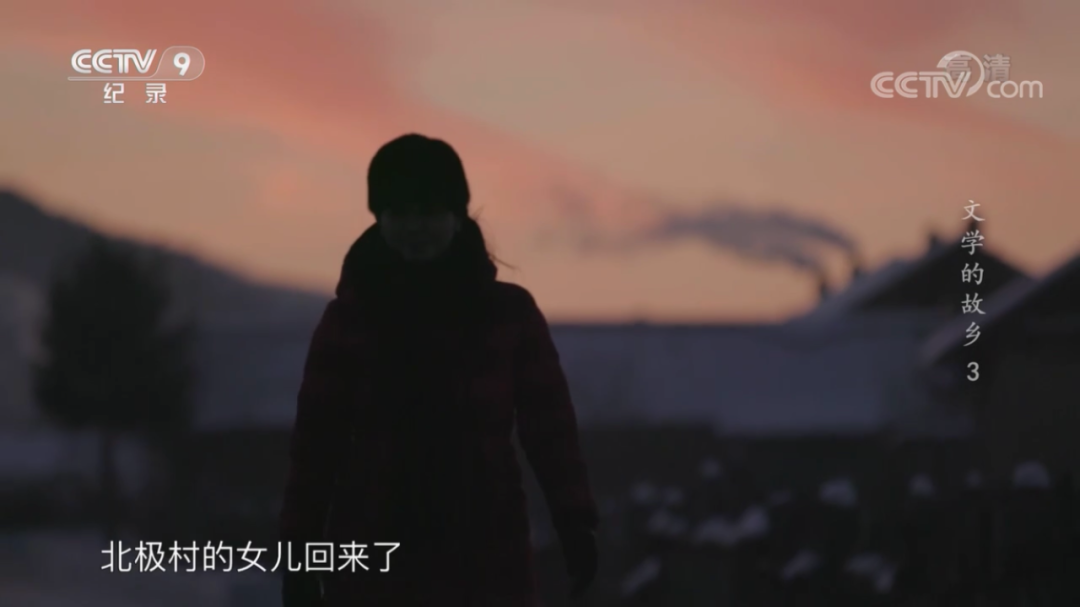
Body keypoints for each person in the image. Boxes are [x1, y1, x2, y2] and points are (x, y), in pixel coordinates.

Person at [279, 134, 599, 607]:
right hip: (374, 558)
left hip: (485, 557)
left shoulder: (508, 316)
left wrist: (573, 520)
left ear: (456, 215)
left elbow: (550, 431)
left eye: (428, 211)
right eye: (399, 213)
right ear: (379, 217)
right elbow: (315, 448)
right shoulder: (349, 322)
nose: (415, 227)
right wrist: (301, 558)